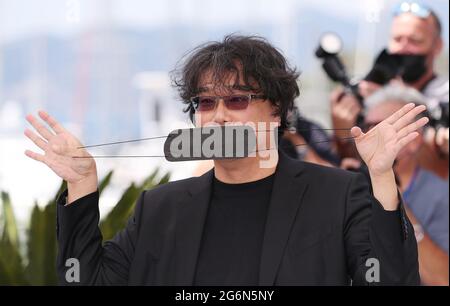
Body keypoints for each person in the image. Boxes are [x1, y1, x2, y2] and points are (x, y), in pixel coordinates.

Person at [24, 35, 424, 285]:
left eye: (237, 99)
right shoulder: (160, 207)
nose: (218, 115)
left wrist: (380, 177)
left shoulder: (337, 194)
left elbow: (388, 280)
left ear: (276, 111)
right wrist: (81, 186)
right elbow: (83, 281)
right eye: (205, 102)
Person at [330, 1, 449, 178]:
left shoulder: (444, 96)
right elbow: (349, 164)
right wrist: (343, 134)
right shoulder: (367, 92)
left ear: (437, 46)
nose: (404, 47)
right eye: (397, 39)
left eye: (415, 40)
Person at [364, 85, 448, 285]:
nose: (369, 135)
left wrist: (396, 204)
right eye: (366, 125)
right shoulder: (352, 182)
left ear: (414, 140)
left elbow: (443, 279)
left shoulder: (441, 196)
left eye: (382, 127)